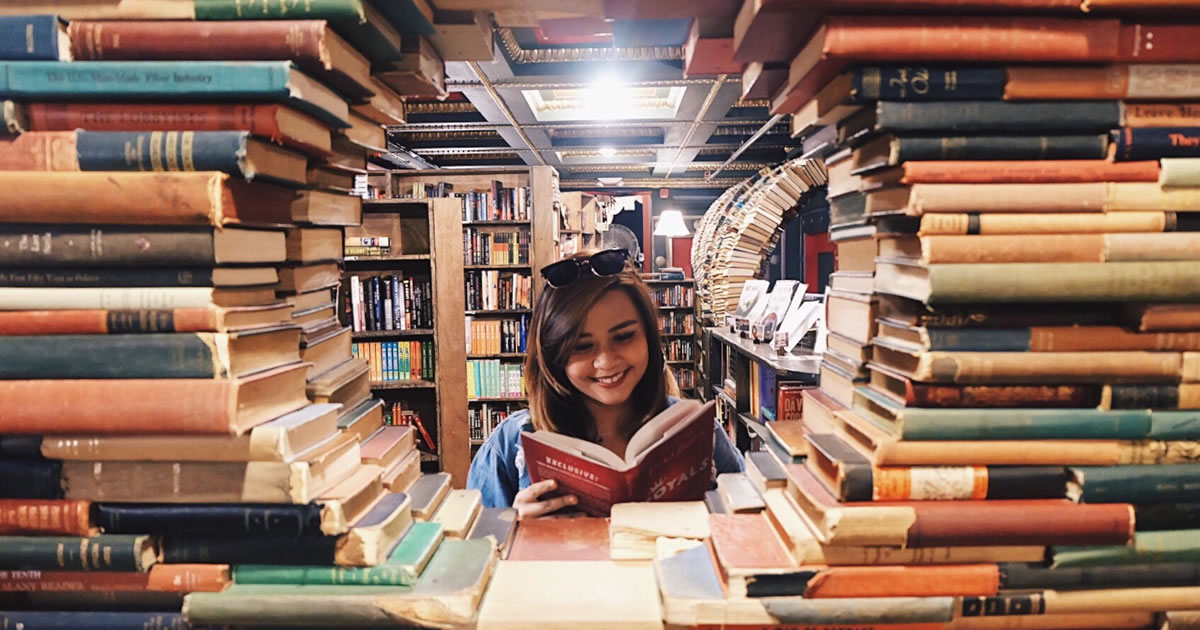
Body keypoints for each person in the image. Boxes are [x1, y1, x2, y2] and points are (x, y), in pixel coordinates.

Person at [466, 248, 744, 518]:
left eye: (623, 337)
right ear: (553, 356)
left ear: (648, 337)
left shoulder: (697, 432)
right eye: (582, 346)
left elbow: (749, 524)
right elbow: (477, 555)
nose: (606, 362)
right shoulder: (510, 444)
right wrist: (518, 530)